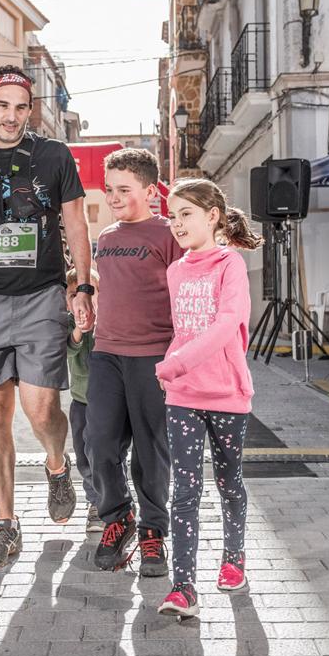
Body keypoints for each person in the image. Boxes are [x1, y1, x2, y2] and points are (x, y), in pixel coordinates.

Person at [0, 64, 94, 572]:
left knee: (41, 407)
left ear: (30, 111)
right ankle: (6, 524)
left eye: (20, 107)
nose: (10, 116)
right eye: (2, 106)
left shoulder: (53, 156)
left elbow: (74, 221)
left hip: (39, 295)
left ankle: (56, 465)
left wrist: (84, 285)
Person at [154, 179, 262, 619]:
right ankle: (183, 587)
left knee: (228, 481)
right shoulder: (176, 269)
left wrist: (175, 363)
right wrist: (172, 366)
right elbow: (184, 330)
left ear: (212, 215)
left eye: (186, 214)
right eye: (172, 215)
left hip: (226, 393)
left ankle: (233, 559)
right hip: (183, 395)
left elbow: (226, 324)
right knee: (185, 489)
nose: (177, 223)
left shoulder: (228, 263)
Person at [88, 148, 183, 576]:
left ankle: (153, 531)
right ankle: (118, 517)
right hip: (106, 353)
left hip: (154, 357)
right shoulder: (105, 238)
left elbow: (187, 296)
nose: (113, 197)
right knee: (99, 444)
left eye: (123, 190)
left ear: (149, 190)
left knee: (151, 451)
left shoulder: (168, 234)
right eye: (109, 189)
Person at [65, 266, 104, 534]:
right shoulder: (68, 325)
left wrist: (97, 323)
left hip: (107, 403)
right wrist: (80, 329)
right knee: (83, 457)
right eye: (71, 294)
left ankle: (108, 504)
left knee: (105, 455)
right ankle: (95, 501)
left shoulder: (109, 320)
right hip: (80, 401)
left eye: (88, 293)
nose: (79, 300)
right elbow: (68, 349)